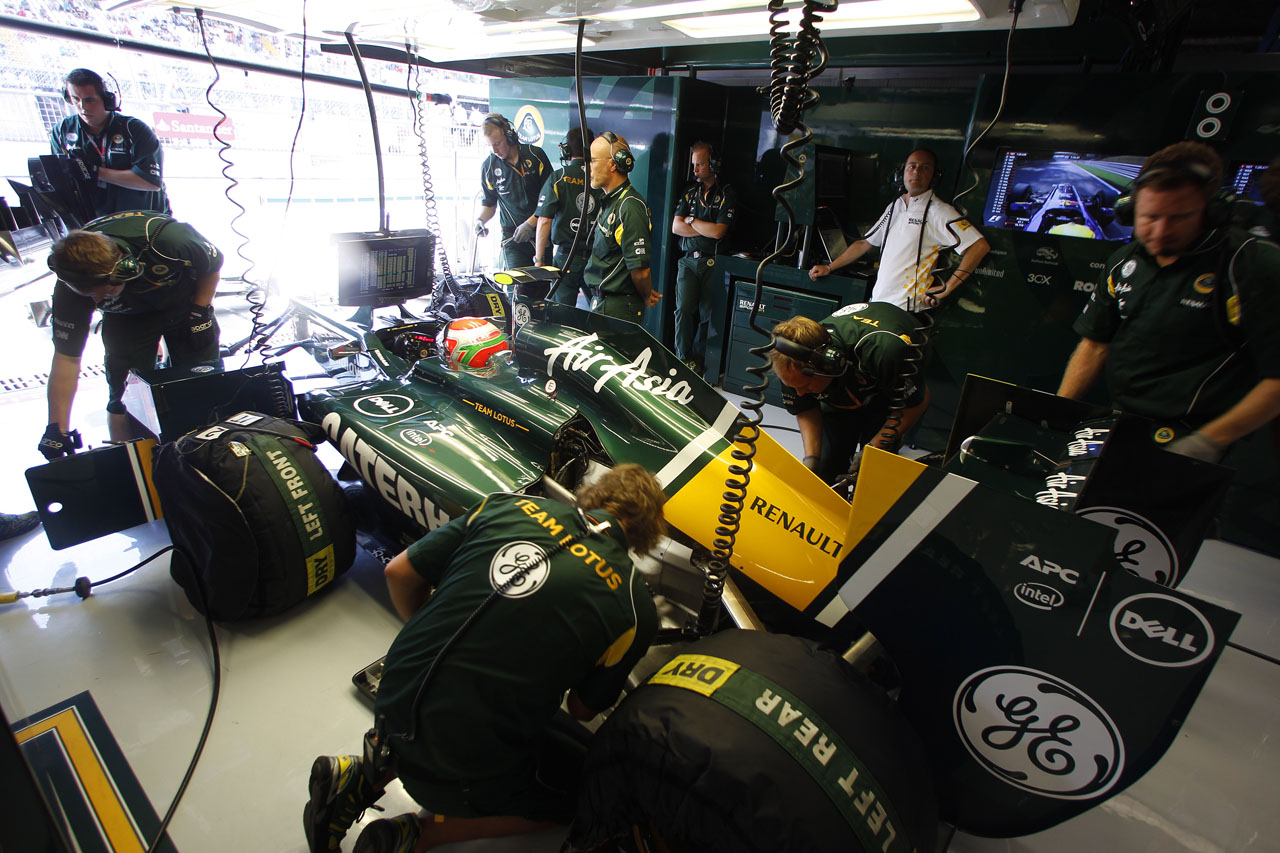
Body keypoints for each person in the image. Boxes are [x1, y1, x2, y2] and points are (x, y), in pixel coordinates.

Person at [302, 464, 667, 853]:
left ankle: (362, 774)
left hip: (391, 693)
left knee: (462, 691)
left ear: (593, 494)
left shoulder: (505, 505)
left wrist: (444, 635)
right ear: (647, 534)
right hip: (461, 764)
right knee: (580, 796)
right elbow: (580, 708)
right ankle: (413, 837)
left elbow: (397, 572)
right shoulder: (634, 607)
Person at [1057, 141, 1280, 463]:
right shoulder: (1123, 262)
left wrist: (1207, 443)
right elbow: (1095, 344)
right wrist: (1057, 410)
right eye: (1150, 217)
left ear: (1212, 211)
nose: (1160, 232)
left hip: (1204, 437)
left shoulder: (1253, 266)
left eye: (1178, 218)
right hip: (1122, 421)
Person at [39, 211, 223, 455]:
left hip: (185, 303)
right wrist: (56, 429)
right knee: (124, 394)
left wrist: (200, 310)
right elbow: (67, 358)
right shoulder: (70, 291)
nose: (96, 300)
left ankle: (212, 453)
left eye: (103, 293)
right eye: (91, 297)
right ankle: (130, 461)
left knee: (202, 380)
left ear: (125, 270)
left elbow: (212, 266)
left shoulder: (169, 240)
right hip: (127, 317)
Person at [809, 149, 989, 312]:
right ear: (901, 173)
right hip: (879, 302)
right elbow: (865, 243)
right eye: (912, 166)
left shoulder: (940, 211)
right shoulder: (895, 206)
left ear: (934, 176)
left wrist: (947, 288)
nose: (916, 172)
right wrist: (829, 267)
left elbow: (979, 246)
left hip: (908, 309)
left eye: (925, 168)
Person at [771, 302, 929, 485]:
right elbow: (805, 408)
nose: (800, 392)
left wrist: (874, 447)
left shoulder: (885, 351)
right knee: (824, 468)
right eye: (793, 386)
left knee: (872, 475)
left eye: (805, 385)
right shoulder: (790, 362)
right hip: (838, 392)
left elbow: (917, 402)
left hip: (887, 388)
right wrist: (811, 459)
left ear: (829, 365)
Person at [50, 68, 170, 218]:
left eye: (89, 100)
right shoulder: (62, 130)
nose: (83, 107)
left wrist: (94, 171)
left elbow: (150, 181)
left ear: (106, 99)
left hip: (142, 221)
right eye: (75, 99)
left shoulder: (134, 129)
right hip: (95, 223)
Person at [671, 141, 737, 372]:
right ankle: (682, 357)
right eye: (693, 164)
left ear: (714, 164)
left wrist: (692, 222)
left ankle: (699, 360)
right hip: (688, 260)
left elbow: (719, 232)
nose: (695, 170)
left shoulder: (726, 193)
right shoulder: (689, 193)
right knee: (683, 310)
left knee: (708, 315)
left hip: (713, 263)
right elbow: (676, 227)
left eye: (700, 164)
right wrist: (702, 227)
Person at [584, 132, 658, 322]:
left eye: (592, 161)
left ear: (613, 163)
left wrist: (646, 294)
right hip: (602, 304)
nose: (588, 168)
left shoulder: (630, 206)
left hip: (617, 310)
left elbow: (641, 272)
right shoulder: (611, 202)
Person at [475, 114, 552, 270]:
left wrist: (530, 223)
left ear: (509, 137)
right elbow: (489, 203)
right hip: (512, 238)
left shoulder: (535, 156)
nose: (494, 150)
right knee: (518, 290)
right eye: (490, 146)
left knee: (542, 288)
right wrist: (480, 221)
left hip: (541, 234)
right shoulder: (489, 167)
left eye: (497, 143)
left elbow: (551, 199)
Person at [534, 126, 600, 307]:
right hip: (597, 259)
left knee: (560, 314)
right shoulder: (601, 179)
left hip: (566, 258)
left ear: (566, 150)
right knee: (598, 316)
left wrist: (539, 259)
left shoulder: (559, 177)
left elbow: (544, 220)